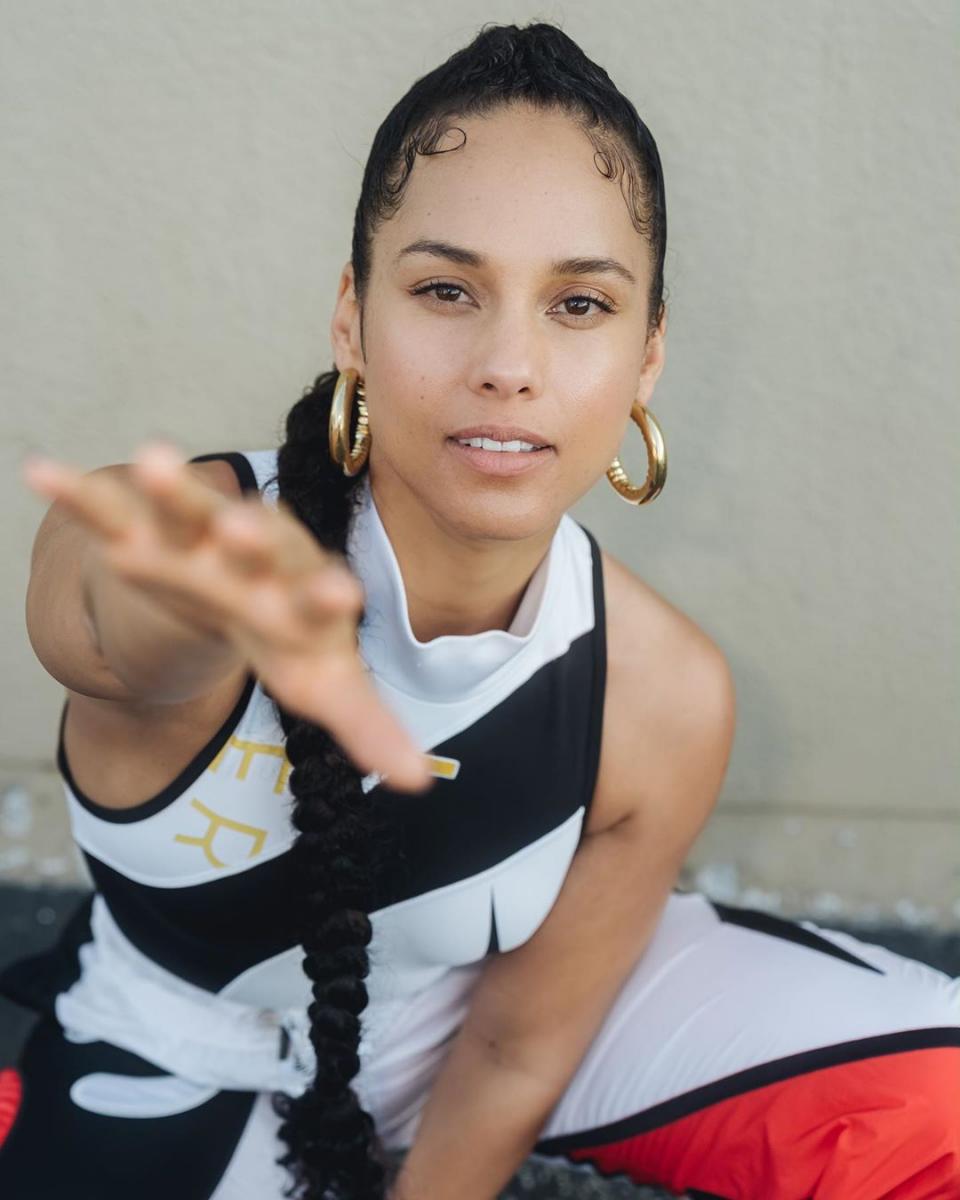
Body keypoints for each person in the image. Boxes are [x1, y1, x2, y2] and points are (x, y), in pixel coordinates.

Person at [1, 20, 958, 1200]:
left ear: (649, 354)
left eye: (580, 304)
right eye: (447, 289)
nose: (509, 363)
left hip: (479, 1033)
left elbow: (516, 1050)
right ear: (352, 317)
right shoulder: (202, 536)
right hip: (171, 1052)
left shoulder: (661, 692)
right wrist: (194, 608)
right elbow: (99, 612)